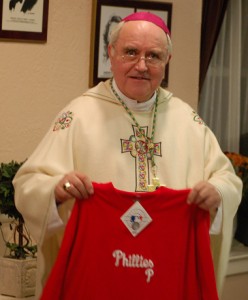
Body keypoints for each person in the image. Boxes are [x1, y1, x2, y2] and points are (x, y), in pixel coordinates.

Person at [13, 11, 242, 299]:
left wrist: (218, 193)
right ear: (111, 54)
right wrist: (58, 190)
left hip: (167, 274)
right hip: (98, 275)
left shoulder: (187, 120)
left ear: (167, 61)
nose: (141, 65)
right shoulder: (79, 116)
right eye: (130, 52)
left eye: (154, 56)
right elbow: (27, 184)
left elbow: (227, 180)